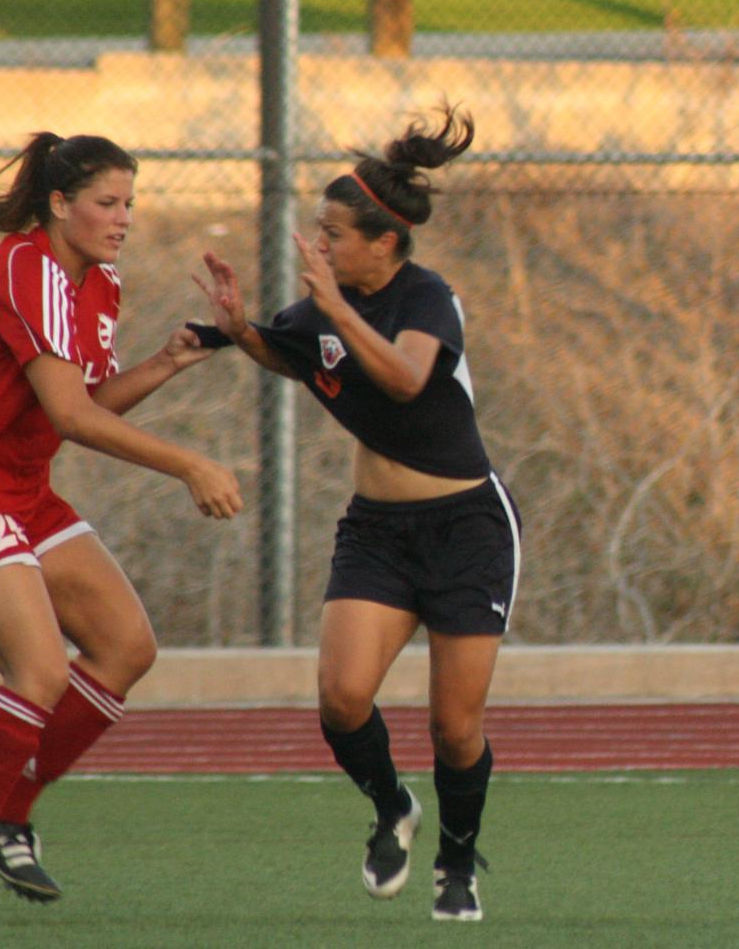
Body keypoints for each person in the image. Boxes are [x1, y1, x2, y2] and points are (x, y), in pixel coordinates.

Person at [0, 132, 243, 926]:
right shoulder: (27, 269)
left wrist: (167, 360)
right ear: (58, 204)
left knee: (125, 648)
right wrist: (189, 464)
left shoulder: (97, 282)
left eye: (130, 204)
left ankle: (8, 813)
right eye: (106, 203)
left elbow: (84, 404)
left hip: (17, 489)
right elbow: (72, 417)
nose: (122, 219)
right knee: (39, 674)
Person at [192, 102, 520, 923]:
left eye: (333, 232)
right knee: (340, 699)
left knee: (454, 726)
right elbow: (289, 352)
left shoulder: (427, 298)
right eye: (319, 228)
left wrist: (335, 312)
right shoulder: (322, 309)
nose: (319, 243)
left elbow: (407, 379)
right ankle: (392, 810)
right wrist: (240, 328)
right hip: (377, 531)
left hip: (466, 530)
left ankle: (456, 858)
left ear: (384, 243)